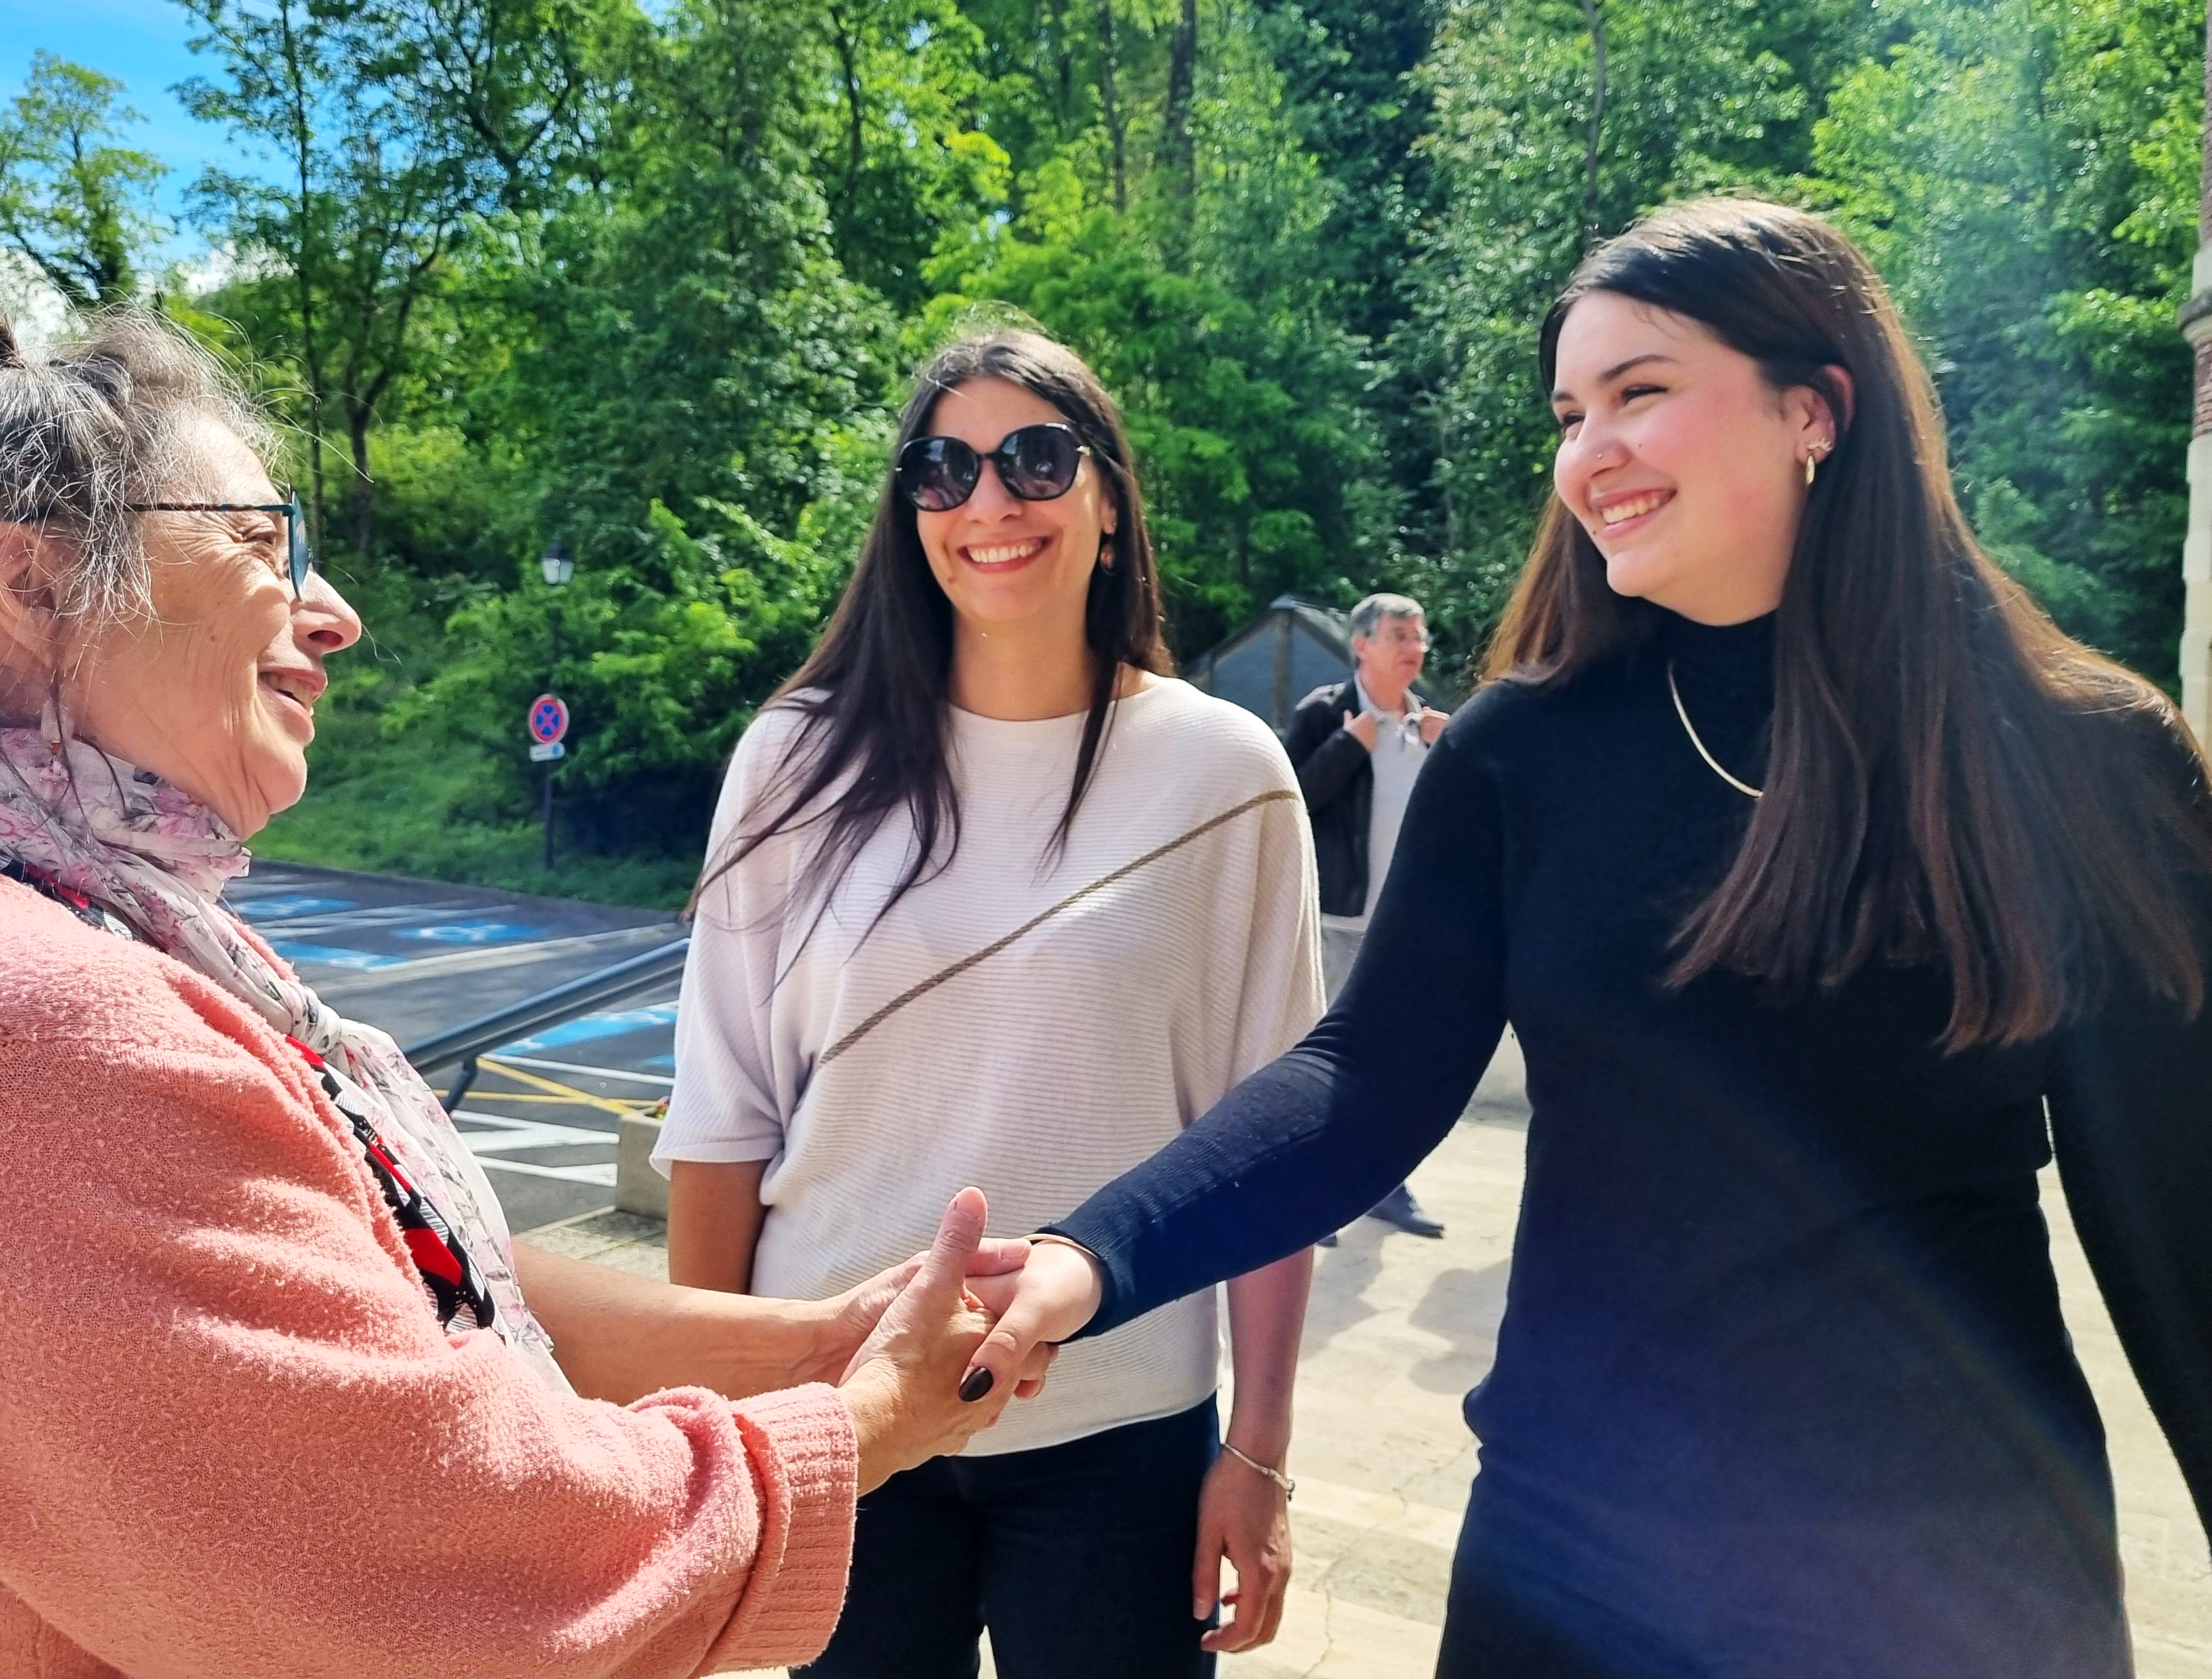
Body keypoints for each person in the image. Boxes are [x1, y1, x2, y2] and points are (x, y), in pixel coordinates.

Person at [0, 298, 1045, 1678]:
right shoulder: (20, 1031)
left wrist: (812, 1340)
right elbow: (443, 1577)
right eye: (262, 545)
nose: (335, 617)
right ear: (32, 583)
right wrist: (871, 1419)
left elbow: (367, 1290)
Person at [963, 198, 2212, 1676]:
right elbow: (1365, 1080)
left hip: (1953, 1587)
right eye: (1569, 411)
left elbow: (2180, 1233)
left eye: (1640, 393)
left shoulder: (2080, 763)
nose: (1586, 453)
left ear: (1814, 410)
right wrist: (1092, 1254)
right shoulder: (1521, 754)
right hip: (1573, 1575)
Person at [656, 327, 1324, 1678]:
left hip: (1121, 1422)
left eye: (1034, 458)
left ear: (1109, 497)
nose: (987, 503)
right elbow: (721, 1115)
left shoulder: (1223, 775)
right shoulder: (797, 757)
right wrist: (716, 1429)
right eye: (941, 469)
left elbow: (1275, 1152)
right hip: (839, 1405)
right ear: (908, 513)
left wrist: (1258, 1452)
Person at [1287, 590, 1448, 1241]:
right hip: (1335, 921)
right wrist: (1347, 747)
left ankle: (1384, 1185)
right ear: (1361, 644)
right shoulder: (1324, 712)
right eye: (1400, 636)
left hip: (1407, 925)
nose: (1415, 649)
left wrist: (1451, 750)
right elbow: (1289, 798)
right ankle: (1308, 1193)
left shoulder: (1433, 726)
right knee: (1318, 1063)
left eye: (1419, 636)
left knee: (1397, 1062)